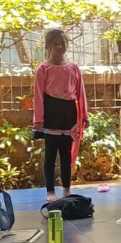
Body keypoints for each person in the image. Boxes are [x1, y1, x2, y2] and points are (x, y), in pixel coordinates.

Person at [32, 29, 89, 202]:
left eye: (63, 43)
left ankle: (66, 188)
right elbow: (38, 96)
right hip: (52, 112)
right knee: (50, 155)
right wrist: (39, 119)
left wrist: (84, 116)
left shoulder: (74, 68)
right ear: (48, 47)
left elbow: (80, 93)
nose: (59, 47)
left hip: (69, 113)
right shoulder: (43, 69)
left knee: (66, 154)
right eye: (55, 44)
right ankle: (50, 191)